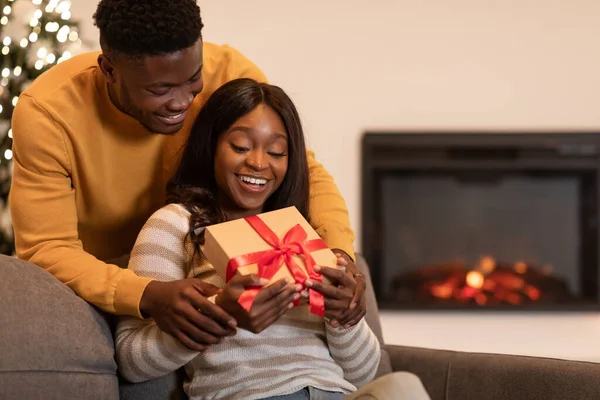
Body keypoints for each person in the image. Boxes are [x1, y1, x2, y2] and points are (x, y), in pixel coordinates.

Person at [9, 0, 366, 351]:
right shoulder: (47, 112)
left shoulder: (228, 70)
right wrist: (145, 293)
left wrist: (340, 258)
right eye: (159, 90)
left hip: (202, 266)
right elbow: (47, 246)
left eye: (193, 79)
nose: (182, 101)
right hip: (105, 281)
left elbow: (308, 172)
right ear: (109, 70)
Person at [115, 78, 430, 400]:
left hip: (336, 393)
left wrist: (342, 317)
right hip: (253, 396)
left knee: (403, 386)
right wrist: (220, 315)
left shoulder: (300, 234)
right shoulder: (175, 224)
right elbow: (131, 360)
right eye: (240, 146)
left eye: (277, 151)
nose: (259, 163)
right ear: (210, 145)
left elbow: (365, 374)